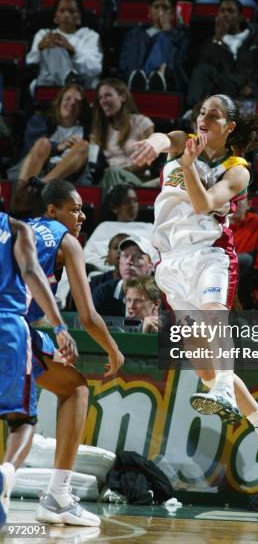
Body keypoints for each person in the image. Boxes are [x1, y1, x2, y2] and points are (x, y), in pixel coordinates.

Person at [130, 93, 258, 476]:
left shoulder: (237, 169)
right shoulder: (181, 141)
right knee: (205, 370)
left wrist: (187, 167)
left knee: (212, 321)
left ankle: (224, 390)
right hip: (170, 263)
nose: (204, 118)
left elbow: (203, 205)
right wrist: (149, 145)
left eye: (214, 115)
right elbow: (161, 140)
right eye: (201, 112)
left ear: (229, 126)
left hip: (210, 255)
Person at [10, 178, 124, 526]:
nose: (82, 216)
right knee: (75, 389)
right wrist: (114, 349)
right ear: (52, 211)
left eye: (82, 209)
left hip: (18, 328)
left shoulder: (16, 229)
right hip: (10, 327)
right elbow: (88, 317)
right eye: (74, 209)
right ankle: (58, 496)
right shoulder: (66, 241)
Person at [0, 211, 77, 529]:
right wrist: (59, 326)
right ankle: (5, 473)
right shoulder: (16, 228)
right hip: (8, 328)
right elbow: (32, 271)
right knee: (22, 420)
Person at [187, 0, 258, 120]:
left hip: (249, 83)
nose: (225, 14)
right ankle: (193, 112)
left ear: (240, 16)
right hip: (224, 85)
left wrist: (251, 85)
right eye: (222, 11)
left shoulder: (257, 39)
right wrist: (218, 39)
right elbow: (204, 68)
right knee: (201, 70)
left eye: (230, 11)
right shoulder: (212, 41)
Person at [90, 78, 156, 195]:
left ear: (123, 97)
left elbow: (149, 160)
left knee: (113, 173)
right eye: (100, 98)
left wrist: (123, 170)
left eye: (108, 95)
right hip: (110, 180)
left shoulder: (142, 123)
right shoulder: (99, 130)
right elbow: (93, 164)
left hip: (138, 180)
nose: (103, 101)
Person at [26, 0, 103, 95]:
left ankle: (67, 85)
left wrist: (72, 52)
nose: (66, 15)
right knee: (55, 49)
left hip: (81, 85)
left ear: (79, 17)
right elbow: (30, 62)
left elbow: (95, 68)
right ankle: (65, 84)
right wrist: (39, 49)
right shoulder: (43, 34)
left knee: (57, 49)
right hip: (46, 84)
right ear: (55, 17)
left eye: (72, 11)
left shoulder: (90, 36)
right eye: (62, 11)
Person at [15, 85, 91, 183]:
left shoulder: (87, 130)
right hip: (35, 169)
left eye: (78, 101)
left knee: (83, 145)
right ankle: (23, 189)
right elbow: (33, 146)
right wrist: (59, 147)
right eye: (68, 99)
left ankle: (43, 184)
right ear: (59, 102)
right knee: (43, 143)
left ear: (82, 108)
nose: (72, 103)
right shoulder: (40, 119)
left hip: (66, 176)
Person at [119, 0, 188, 94]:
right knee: (137, 38)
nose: (160, 12)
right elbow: (125, 61)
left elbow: (179, 62)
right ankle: (138, 79)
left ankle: (153, 80)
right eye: (156, 7)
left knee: (162, 38)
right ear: (149, 11)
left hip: (167, 78)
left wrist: (167, 34)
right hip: (133, 75)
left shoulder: (180, 36)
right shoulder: (135, 34)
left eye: (165, 8)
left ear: (173, 13)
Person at [92, 235, 156, 317]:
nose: (129, 261)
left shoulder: (162, 295)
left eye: (138, 257)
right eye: (125, 255)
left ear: (150, 266)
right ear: (119, 261)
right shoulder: (102, 292)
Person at [229, 195, 258, 274]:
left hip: (244, 276)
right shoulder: (214, 224)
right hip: (216, 275)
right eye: (230, 200)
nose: (234, 204)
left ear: (249, 204)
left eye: (239, 200)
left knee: (246, 258)